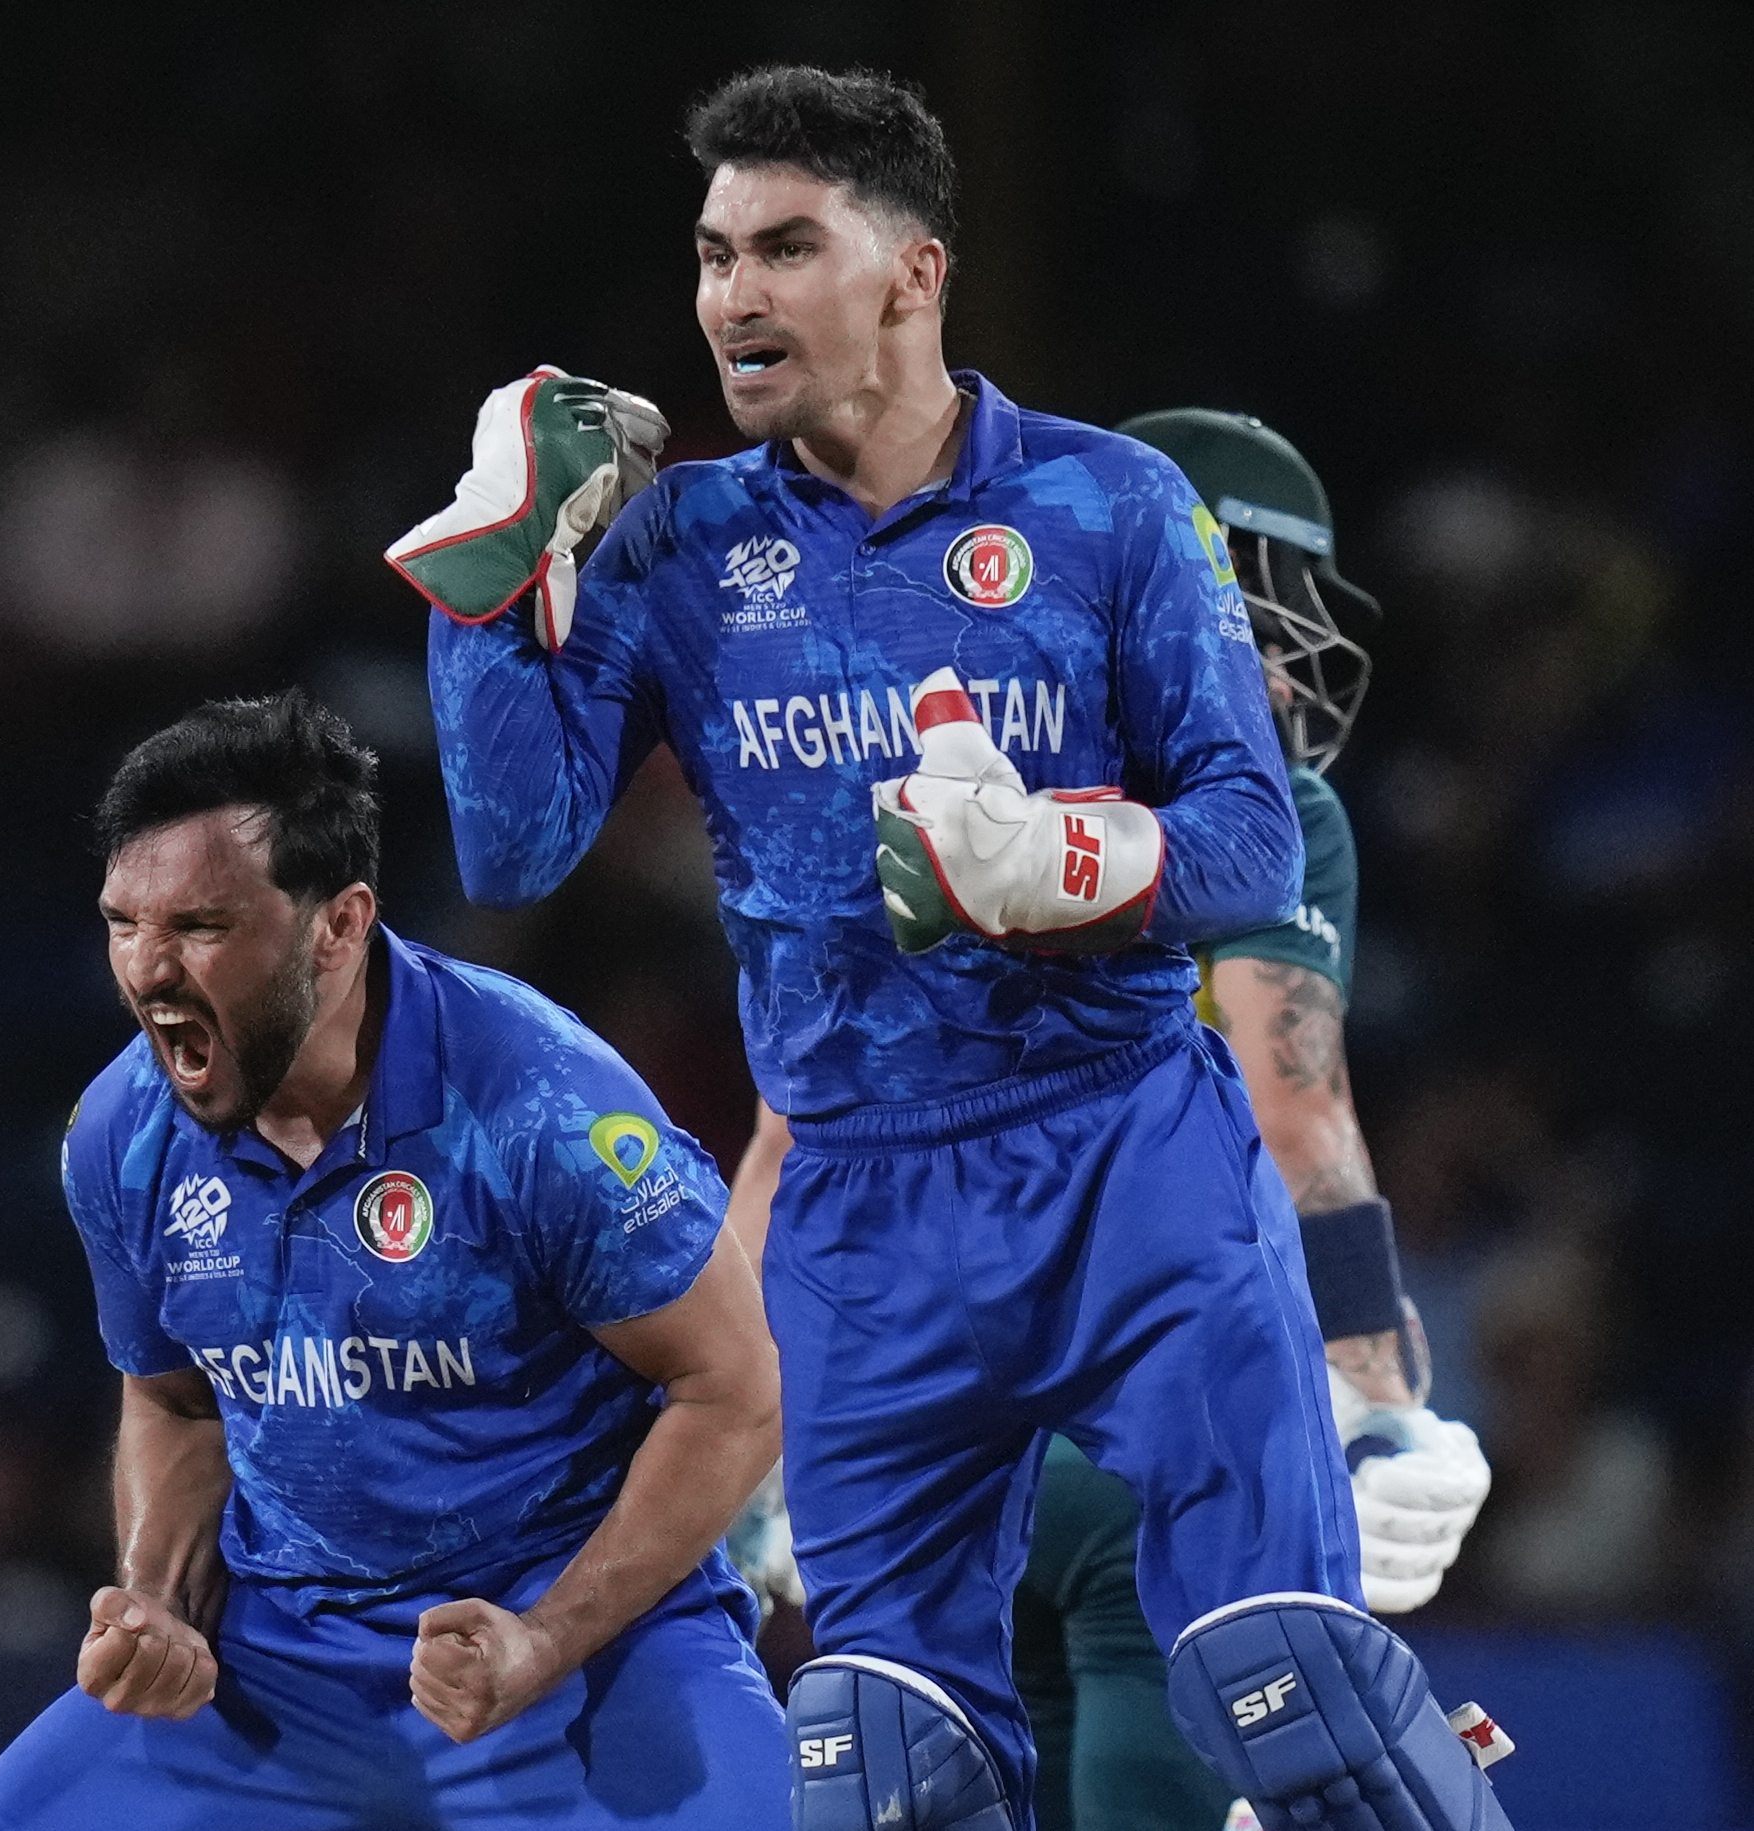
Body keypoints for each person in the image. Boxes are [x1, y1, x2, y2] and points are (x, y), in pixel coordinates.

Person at [396, 64, 1513, 1831]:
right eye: (709, 257)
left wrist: (1066, 853)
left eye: (783, 248)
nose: (731, 299)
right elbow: (513, 842)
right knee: (879, 1773)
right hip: (862, 1205)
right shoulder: (676, 542)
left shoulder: (1111, 504)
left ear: (914, 274)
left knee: (1288, 1701)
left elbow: (1241, 834)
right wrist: (491, 593)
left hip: (1124, 1155)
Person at [732, 411, 1501, 1829]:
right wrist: (1390, 1402)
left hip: (921, 1436)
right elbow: (1297, 1115)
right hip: (1150, 1424)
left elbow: (795, 1144)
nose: (1278, 655)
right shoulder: (1259, 802)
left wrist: (744, 1444)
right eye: (1251, 595)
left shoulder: (896, 782)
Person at [0, 691, 789, 1831]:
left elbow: (732, 1389)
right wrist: (156, 1605)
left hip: (581, 1649)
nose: (147, 970)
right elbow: (179, 1405)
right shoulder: (121, 1131)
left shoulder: (541, 1109)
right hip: (278, 1658)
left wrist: (543, 1639)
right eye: (121, 922)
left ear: (337, 925)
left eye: (199, 926)